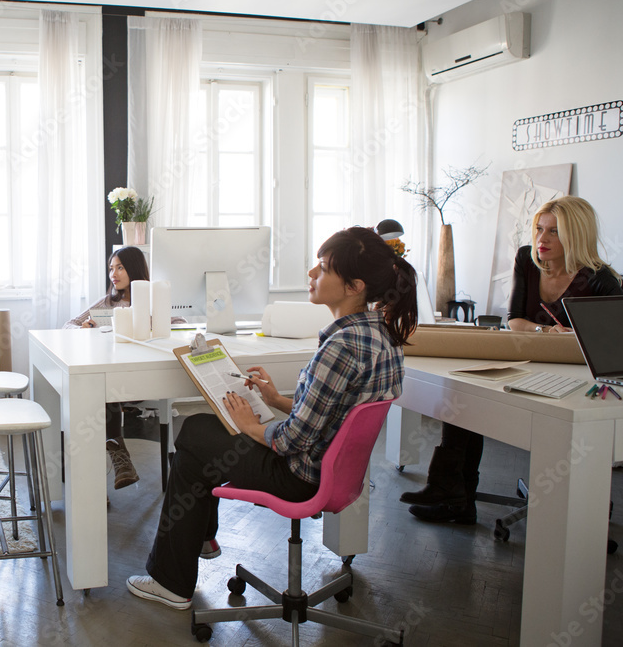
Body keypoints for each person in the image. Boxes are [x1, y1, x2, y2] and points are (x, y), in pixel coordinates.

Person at [126, 226, 419, 610]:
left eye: (325, 268)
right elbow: (333, 414)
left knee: (195, 431)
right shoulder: (381, 335)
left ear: (354, 286)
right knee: (205, 435)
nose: (313, 274)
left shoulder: (342, 345)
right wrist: (277, 400)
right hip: (336, 475)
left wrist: (251, 425)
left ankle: (172, 578)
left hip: (298, 476)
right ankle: (200, 537)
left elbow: (291, 441)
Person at [400, 196, 622, 523]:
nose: (541, 240)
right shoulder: (527, 259)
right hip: (530, 361)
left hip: (581, 378)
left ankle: (578, 518)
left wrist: (573, 337)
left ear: (577, 234)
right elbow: (514, 318)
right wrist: (545, 332)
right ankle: (452, 493)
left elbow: (612, 347)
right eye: (539, 229)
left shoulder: (602, 280)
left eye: (554, 232)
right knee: (466, 394)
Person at [64, 246, 151, 489]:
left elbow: (179, 324)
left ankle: (92, 482)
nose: (114, 273)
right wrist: (83, 329)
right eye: (111, 268)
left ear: (134, 269)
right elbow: (68, 324)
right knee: (100, 385)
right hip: (112, 380)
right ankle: (116, 462)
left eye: (120, 267)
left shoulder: (153, 300)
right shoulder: (106, 303)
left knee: (99, 388)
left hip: (144, 376)